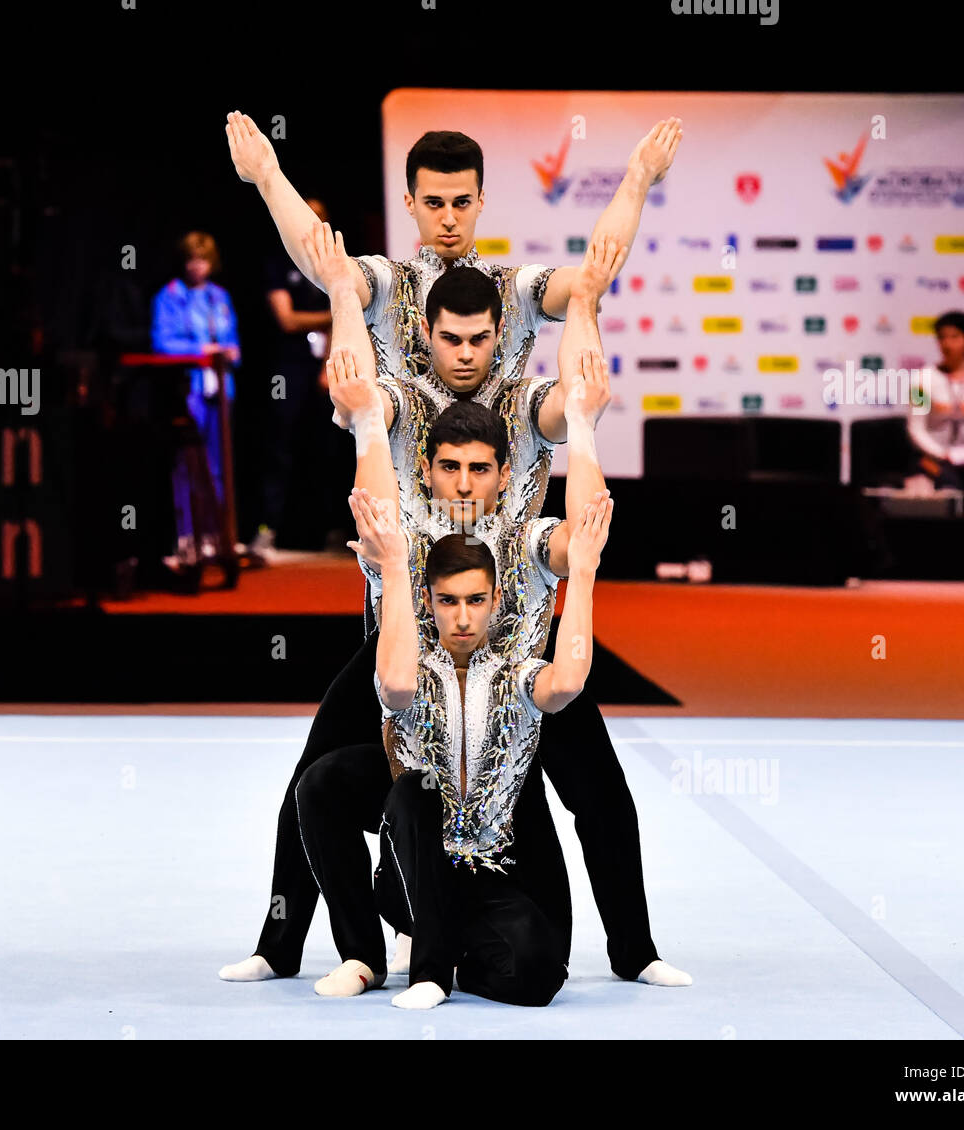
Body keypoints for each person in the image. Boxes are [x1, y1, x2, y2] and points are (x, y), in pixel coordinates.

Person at [219, 227, 690, 992]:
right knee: (315, 783)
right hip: (418, 677)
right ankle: (295, 944)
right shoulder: (407, 427)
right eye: (449, 338)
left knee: (601, 795)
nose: (464, 352)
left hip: (516, 682)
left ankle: (632, 949)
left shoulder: (520, 443)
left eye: (479, 338)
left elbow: (584, 508)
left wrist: (591, 357)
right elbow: (363, 411)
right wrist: (336, 293)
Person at [226, 110, 682, 437]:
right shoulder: (389, 282)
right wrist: (268, 177)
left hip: (503, 529)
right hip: (402, 532)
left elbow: (590, 278)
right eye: (434, 203)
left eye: (461, 203)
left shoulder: (513, 287)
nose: (448, 218)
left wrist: (637, 180)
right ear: (410, 204)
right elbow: (329, 269)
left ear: (480, 201)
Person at [360, 501, 612, 1009]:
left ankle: (453, 959)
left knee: (541, 975)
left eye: (475, 600)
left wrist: (581, 573)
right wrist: (390, 570)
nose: (461, 617)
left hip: (485, 871)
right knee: (414, 791)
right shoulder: (413, 671)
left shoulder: (513, 675)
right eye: (447, 601)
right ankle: (428, 971)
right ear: (427, 602)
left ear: (497, 598)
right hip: (413, 875)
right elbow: (393, 685)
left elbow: (566, 684)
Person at [252, 196, 341, 559]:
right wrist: (331, 315)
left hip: (324, 367)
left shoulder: (335, 264)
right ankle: (266, 529)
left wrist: (327, 365)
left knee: (330, 449)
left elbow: (347, 312)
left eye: (319, 217)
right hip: (286, 371)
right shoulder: (277, 261)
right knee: (280, 448)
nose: (311, 223)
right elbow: (287, 319)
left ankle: (333, 531)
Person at [151, 231, 242, 569]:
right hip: (189, 390)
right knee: (188, 466)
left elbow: (234, 342)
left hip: (220, 388)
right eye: (191, 260)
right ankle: (187, 536)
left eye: (202, 260)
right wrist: (200, 350)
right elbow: (162, 343)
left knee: (219, 467)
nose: (197, 267)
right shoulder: (169, 296)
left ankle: (217, 537)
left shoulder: (220, 297)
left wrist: (229, 352)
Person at [905, 310, 964, 515]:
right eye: (942, 338)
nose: (947, 344)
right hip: (934, 458)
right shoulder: (921, 381)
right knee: (948, 482)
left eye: (954, 337)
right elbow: (916, 429)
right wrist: (943, 454)